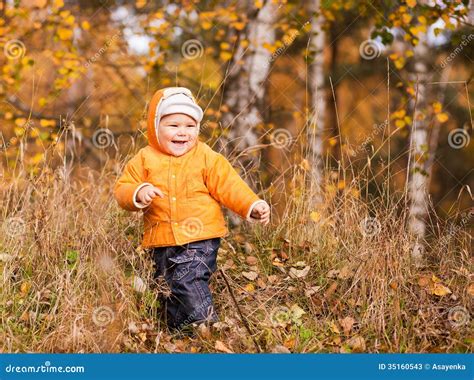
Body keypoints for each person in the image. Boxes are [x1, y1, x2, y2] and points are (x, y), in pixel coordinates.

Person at [114, 87, 270, 330]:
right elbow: (123, 189)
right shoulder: (144, 159)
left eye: (190, 126)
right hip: (161, 239)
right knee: (168, 289)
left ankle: (207, 327)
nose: (182, 132)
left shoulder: (206, 157)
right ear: (156, 127)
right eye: (174, 126)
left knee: (188, 278)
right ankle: (180, 334)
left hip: (200, 237)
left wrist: (251, 204)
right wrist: (138, 192)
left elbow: (229, 186)